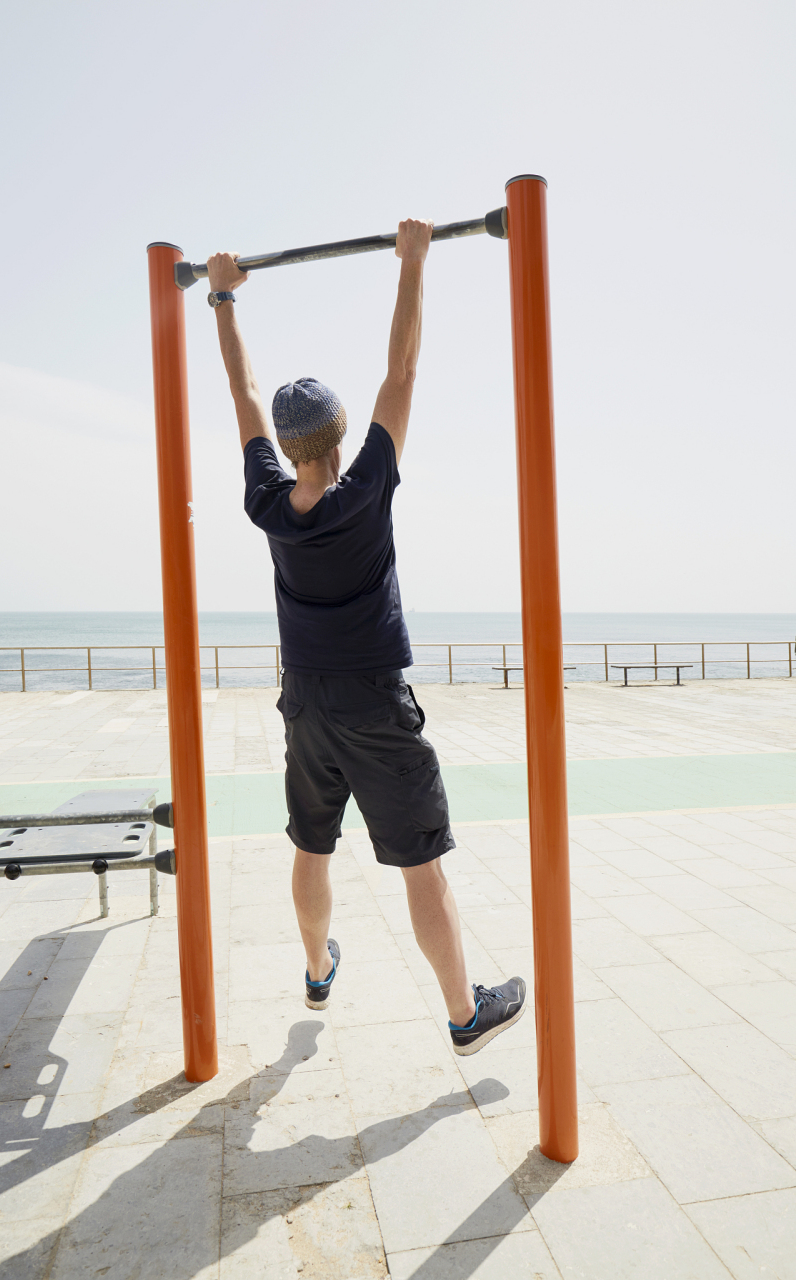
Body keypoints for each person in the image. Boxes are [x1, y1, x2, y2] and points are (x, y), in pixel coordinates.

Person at [207, 219, 525, 1056]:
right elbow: (402, 370)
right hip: (373, 703)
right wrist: (413, 263)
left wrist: (223, 297)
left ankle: (317, 969)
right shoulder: (366, 487)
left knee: (312, 844)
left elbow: (242, 397)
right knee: (421, 863)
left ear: (284, 446)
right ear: (342, 435)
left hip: (304, 701)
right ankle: (465, 1013)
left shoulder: (268, 502)